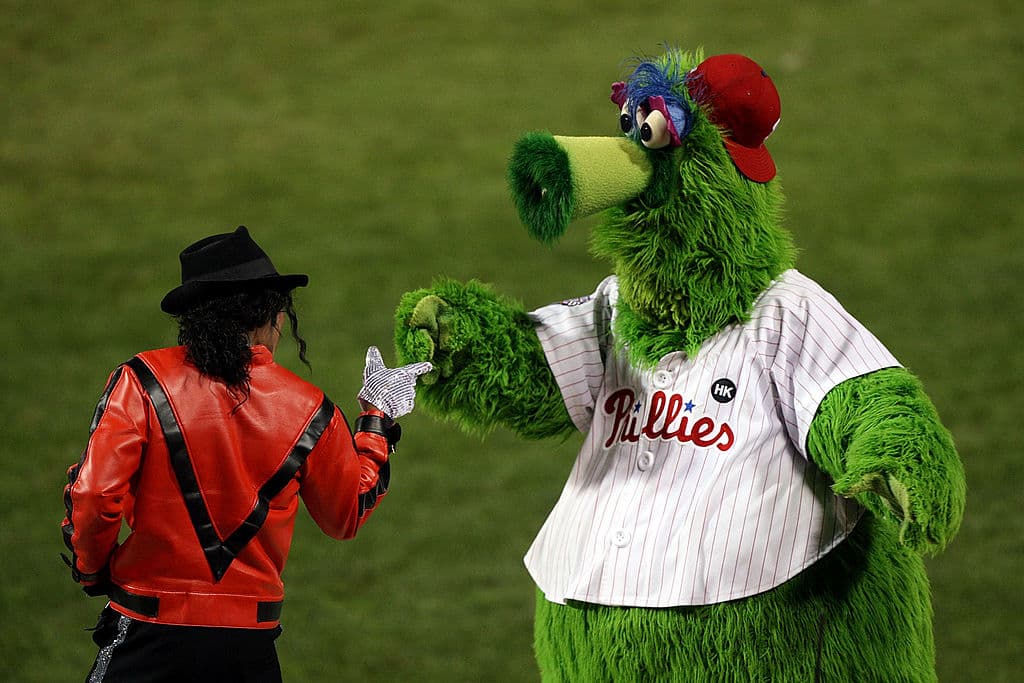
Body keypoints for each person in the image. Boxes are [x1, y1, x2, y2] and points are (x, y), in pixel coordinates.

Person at [61, 225, 432, 683]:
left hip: (145, 633)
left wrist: (92, 571)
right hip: (246, 649)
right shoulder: (311, 409)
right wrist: (378, 419)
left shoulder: (141, 381)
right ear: (272, 316)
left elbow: (95, 495)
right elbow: (345, 515)